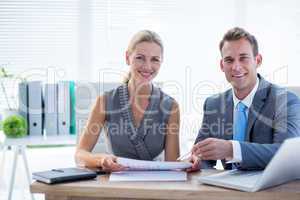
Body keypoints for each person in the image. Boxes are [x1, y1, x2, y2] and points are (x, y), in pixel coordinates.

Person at [189, 27, 300, 171]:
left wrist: (232, 149)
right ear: (222, 65)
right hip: (225, 189)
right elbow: (201, 155)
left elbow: (286, 156)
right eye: (229, 60)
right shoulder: (213, 104)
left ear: (257, 60)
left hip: (268, 189)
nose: (236, 67)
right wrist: (197, 160)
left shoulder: (284, 100)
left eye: (243, 58)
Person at [75, 30, 180, 172]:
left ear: (161, 62)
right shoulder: (104, 102)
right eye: (140, 58)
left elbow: (173, 165)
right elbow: (80, 155)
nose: (148, 66)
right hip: (116, 182)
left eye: (155, 59)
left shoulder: (171, 106)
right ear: (127, 57)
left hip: (155, 183)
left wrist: (190, 162)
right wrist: (102, 160)